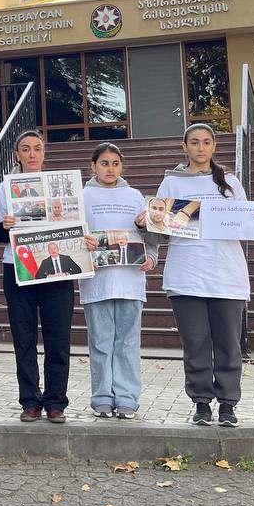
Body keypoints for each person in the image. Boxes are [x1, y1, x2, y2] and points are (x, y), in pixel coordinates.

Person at [154, 123, 254, 428]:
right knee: (195, 344)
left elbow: (244, 224)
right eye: (194, 142)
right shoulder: (171, 184)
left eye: (206, 142)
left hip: (227, 277)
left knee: (229, 345)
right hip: (186, 275)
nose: (200, 148)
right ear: (185, 146)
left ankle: (228, 404)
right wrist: (150, 220)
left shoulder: (230, 183)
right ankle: (202, 403)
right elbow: (161, 228)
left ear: (214, 146)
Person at [0, 130, 73, 424]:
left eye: (37, 149)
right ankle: (29, 401)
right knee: (24, 339)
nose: (31, 154)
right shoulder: (6, 188)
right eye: (25, 149)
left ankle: (55, 402)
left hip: (57, 270)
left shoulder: (60, 187)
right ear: (17, 155)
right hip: (17, 267)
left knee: (58, 338)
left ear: (43, 153)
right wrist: (5, 225)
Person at [80, 142, 160, 419]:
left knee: (127, 343)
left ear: (122, 166)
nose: (110, 168)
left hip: (131, 280)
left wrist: (150, 257)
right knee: (101, 342)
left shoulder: (136, 196)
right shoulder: (82, 196)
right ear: (93, 166)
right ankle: (102, 396)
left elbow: (152, 235)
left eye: (115, 163)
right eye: (104, 163)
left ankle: (127, 397)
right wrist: (82, 243)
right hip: (96, 282)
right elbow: (70, 235)